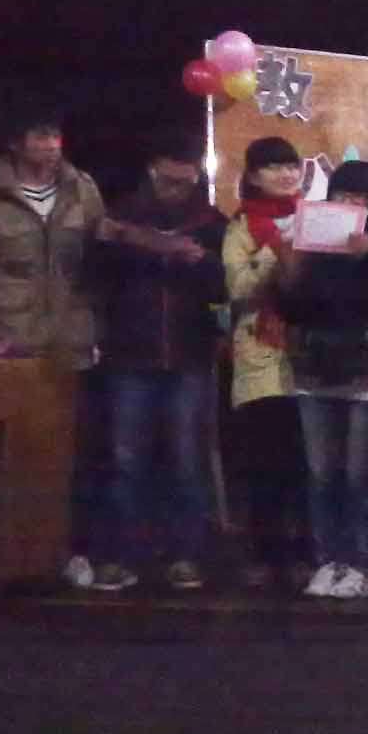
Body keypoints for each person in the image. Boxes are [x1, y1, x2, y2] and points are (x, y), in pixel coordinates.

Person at [0, 107, 107, 588]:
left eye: (55, 135)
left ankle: (76, 551)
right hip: (12, 339)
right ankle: (15, 556)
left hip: (72, 337)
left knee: (75, 453)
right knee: (18, 452)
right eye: (40, 136)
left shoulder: (82, 188)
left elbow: (102, 255)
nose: (51, 145)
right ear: (16, 144)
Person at [87, 136, 227, 593]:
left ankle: (186, 555)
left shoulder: (210, 221)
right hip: (130, 353)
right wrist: (113, 243)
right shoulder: (123, 216)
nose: (175, 189)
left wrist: (202, 262)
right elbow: (92, 275)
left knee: (186, 459)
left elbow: (225, 288)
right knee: (126, 458)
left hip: (189, 355)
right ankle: (120, 556)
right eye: (168, 180)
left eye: (184, 181)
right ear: (152, 170)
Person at [277, 160, 368, 601]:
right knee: (322, 473)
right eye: (343, 195)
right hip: (316, 369)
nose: (351, 203)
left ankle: (364, 564)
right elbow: (292, 309)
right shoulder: (313, 241)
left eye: (361, 197)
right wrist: (291, 267)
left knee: (360, 474)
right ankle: (328, 561)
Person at [222, 136, 311, 593]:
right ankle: (264, 555)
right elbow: (237, 288)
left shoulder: (316, 218)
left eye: (291, 166)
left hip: (310, 357)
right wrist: (278, 251)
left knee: (305, 466)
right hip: (260, 358)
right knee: (265, 466)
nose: (286, 174)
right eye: (274, 167)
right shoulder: (241, 226)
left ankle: (305, 556)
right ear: (254, 175)